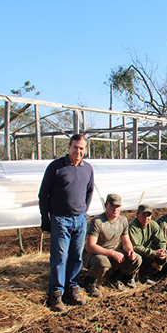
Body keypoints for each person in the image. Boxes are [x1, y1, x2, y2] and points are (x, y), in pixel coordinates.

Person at [39, 134, 94, 312]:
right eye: (75, 147)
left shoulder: (88, 169)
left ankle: (72, 290)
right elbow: (43, 194)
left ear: (85, 150)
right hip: (60, 219)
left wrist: (83, 213)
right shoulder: (56, 167)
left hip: (79, 220)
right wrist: (45, 218)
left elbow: (89, 192)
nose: (78, 151)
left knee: (76, 257)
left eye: (81, 148)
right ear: (69, 147)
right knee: (59, 258)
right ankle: (55, 295)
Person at [83, 194, 142, 295]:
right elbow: (90, 246)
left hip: (110, 253)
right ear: (106, 205)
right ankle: (90, 282)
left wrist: (130, 251)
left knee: (137, 259)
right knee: (103, 262)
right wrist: (113, 254)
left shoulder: (122, 220)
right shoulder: (97, 221)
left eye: (118, 207)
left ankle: (114, 279)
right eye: (112, 206)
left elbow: (126, 241)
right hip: (93, 255)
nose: (115, 209)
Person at [129, 204, 167, 284]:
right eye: (143, 215)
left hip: (144, 252)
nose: (146, 218)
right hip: (131, 254)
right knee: (136, 257)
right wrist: (154, 253)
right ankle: (130, 277)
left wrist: (162, 251)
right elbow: (136, 247)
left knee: (164, 256)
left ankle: (144, 275)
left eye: (148, 215)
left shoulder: (153, 225)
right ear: (137, 214)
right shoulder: (132, 226)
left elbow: (161, 241)